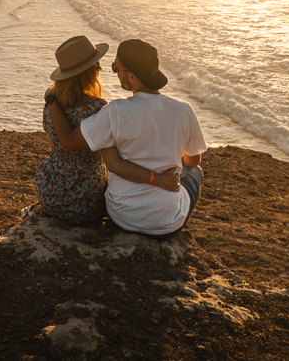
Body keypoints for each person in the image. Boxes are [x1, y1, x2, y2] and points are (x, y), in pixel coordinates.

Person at [47, 38, 207, 238]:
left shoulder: (114, 112)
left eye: (116, 68)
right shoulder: (184, 111)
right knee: (195, 172)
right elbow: (193, 160)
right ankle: (169, 212)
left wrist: (51, 100)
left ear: (131, 77)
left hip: (122, 217)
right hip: (167, 223)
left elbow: (69, 142)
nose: (113, 72)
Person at [28, 36, 181, 225]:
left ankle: (41, 208)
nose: (100, 69)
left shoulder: (52, 106)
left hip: (50, 187)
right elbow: (112, 162)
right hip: (87, 198)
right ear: (87, 73)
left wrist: (51, 102)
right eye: (96, 65)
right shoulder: (98, 109)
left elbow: (54, 147)